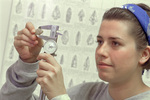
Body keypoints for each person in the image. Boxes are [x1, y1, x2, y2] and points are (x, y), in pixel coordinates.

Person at [1, 3, 150, 100]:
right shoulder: (84, 93)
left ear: (144, 54)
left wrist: (59, 96)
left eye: (115, 43)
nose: (101, 51)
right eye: (99, 41)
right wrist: (27, 63)